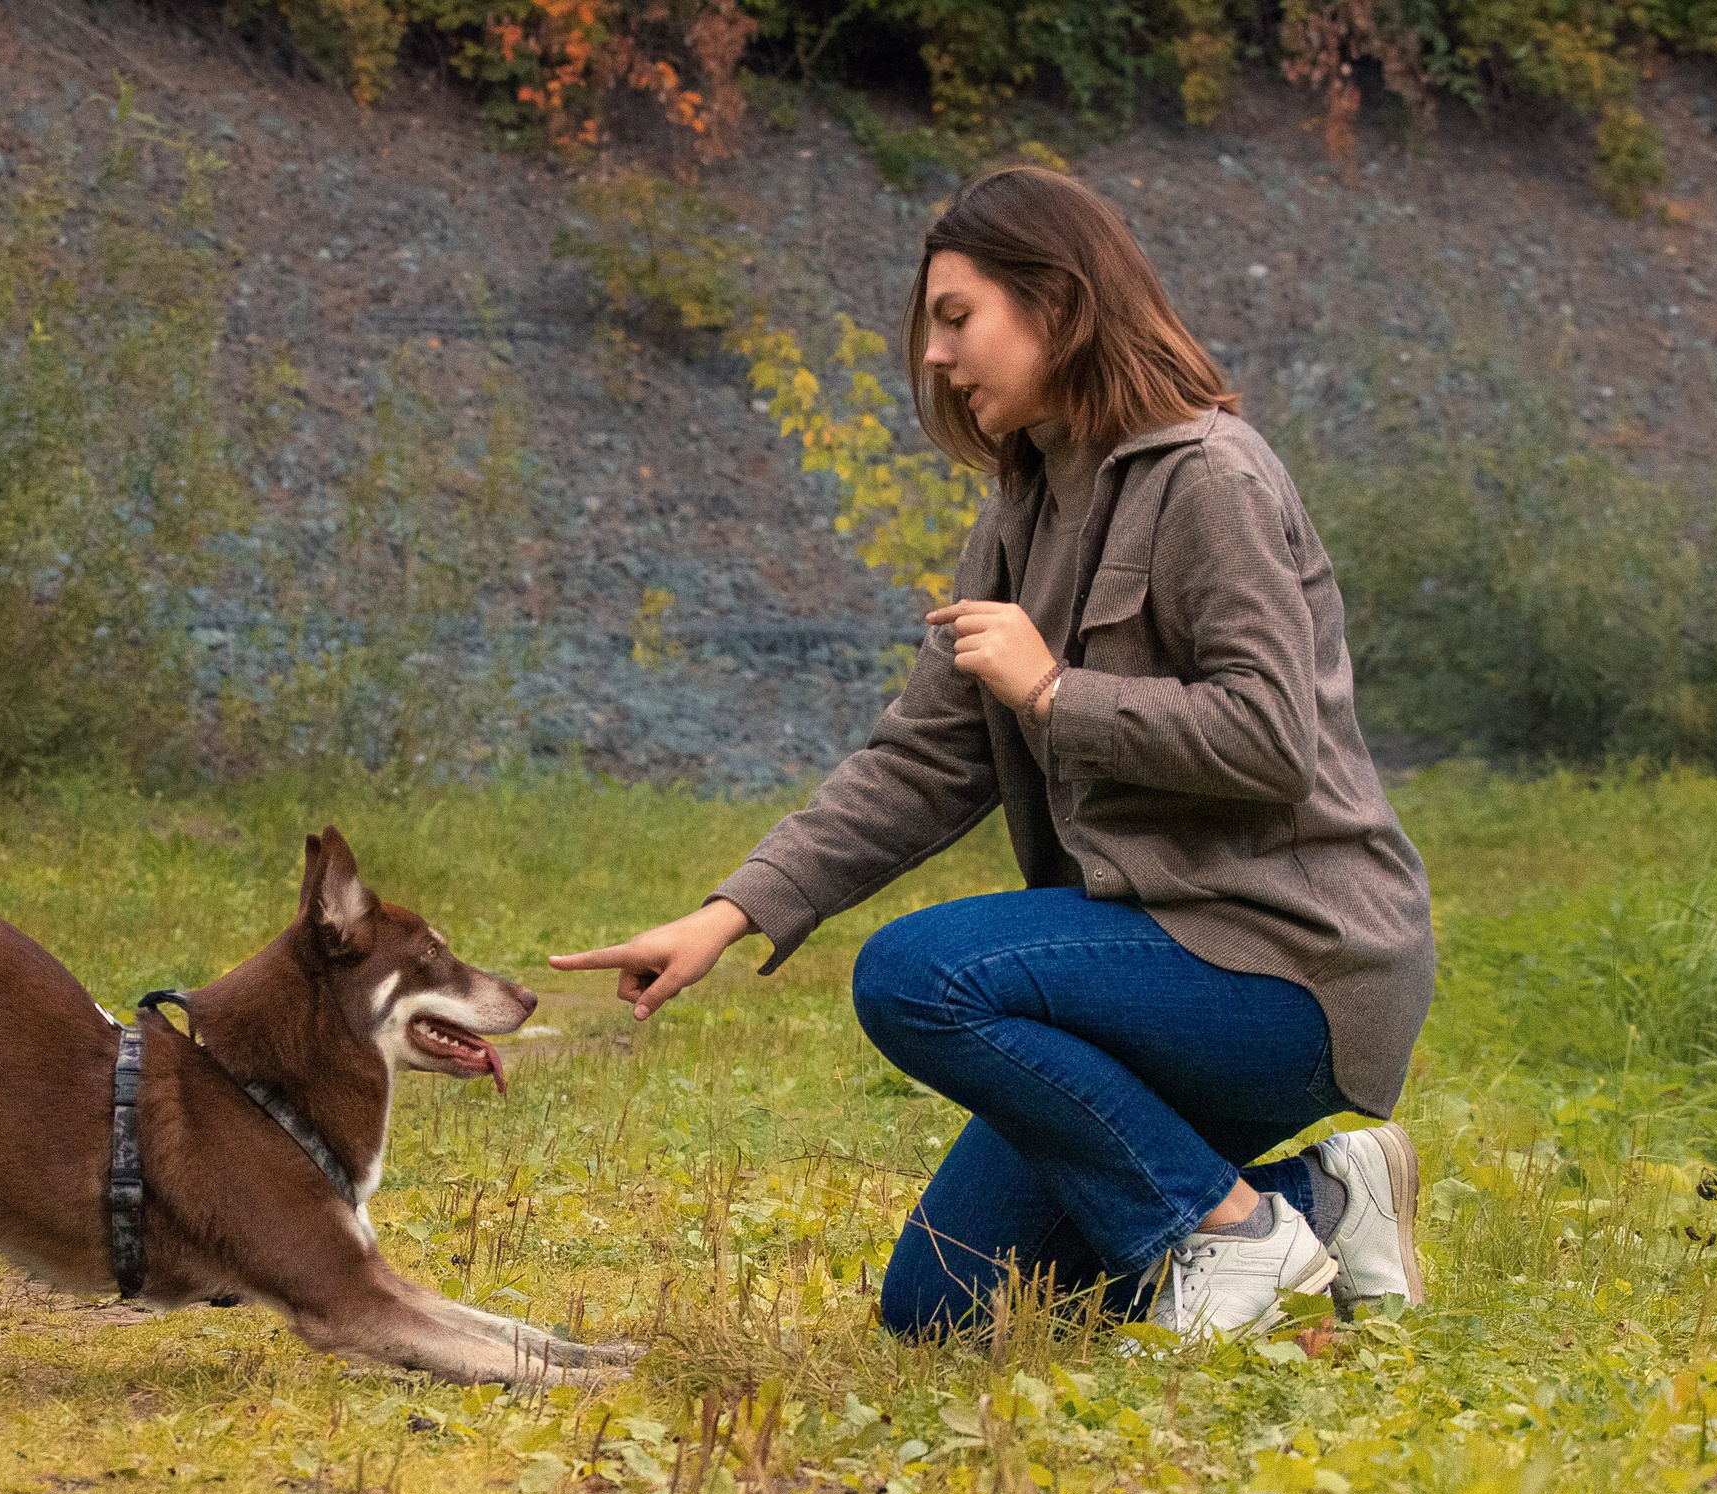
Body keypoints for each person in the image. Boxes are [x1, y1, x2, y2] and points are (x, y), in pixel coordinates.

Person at [550, 167, 1434, 1342]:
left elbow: (1272, 738)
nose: (933, 354)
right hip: (1153, 968)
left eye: (956, 317)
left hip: (1287, 965)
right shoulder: (1017, 513)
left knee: (921, 972)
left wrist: (1058, 692)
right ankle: (1316, 1202)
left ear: (1057, 304)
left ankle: (1224, 1233)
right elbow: (923, 758)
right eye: (931, 324)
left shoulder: (1209, 479)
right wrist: (727, 913)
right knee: (945, 1307)